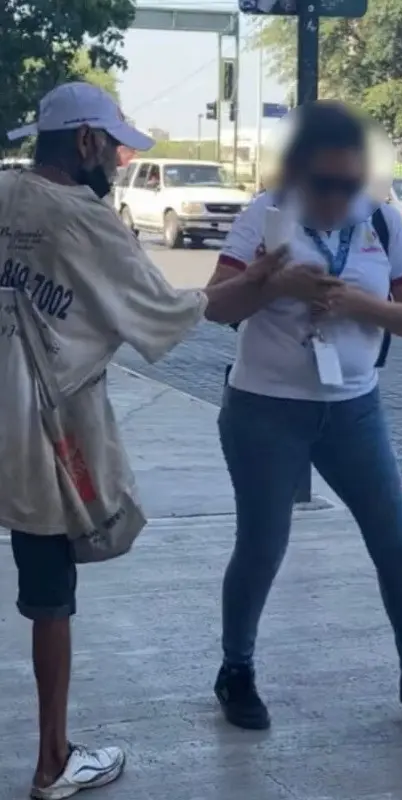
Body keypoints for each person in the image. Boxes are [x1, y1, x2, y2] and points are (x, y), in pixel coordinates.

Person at [0, 82, 286, 799]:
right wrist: (265, 279)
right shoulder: (88, 221)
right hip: (37, 431)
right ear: (87, 142)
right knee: (49, 594)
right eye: (117, 145)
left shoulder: (5, 195)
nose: (123, 160)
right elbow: (171, 312)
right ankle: (52, 762)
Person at [203, 100, 402, 735]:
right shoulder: (264, 216)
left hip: (355, 409)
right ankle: (236, 671)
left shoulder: (381, 220)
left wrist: (361, 303)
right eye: (325, 184)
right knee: (263, 545)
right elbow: (216, 309)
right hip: (265, 410)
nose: (337, 198)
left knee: (397, 545)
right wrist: (273, 284)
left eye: (349, 183)